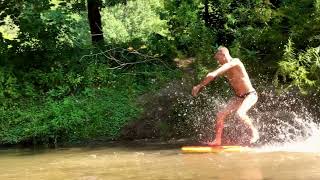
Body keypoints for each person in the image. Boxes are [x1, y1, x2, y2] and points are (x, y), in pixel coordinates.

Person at [192, 47, 259, 146]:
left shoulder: (236, 61)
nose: (218, 61)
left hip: (250, 95)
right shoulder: (225, 67)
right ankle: (217, 140)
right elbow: (212, 76)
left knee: (240, 114)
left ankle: (255, 132)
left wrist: (199, 86)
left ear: (223, 55)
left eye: (218, 58)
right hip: (238, 97)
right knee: (220, 115)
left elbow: (212, 74)